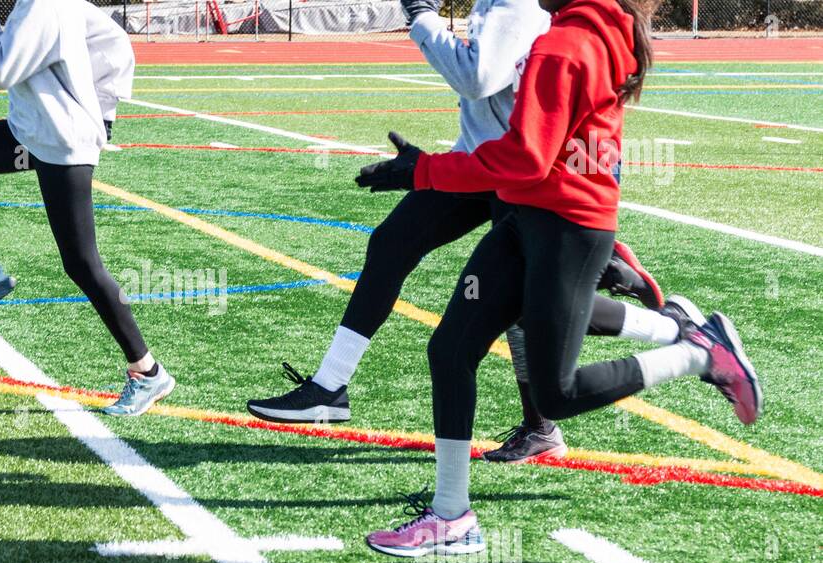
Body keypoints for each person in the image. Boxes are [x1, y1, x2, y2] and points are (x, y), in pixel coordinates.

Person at [354, 0, 761, 557]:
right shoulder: (585, 33)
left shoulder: (565, 43)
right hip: (531, 218)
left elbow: (526, 157)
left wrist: (423, 172)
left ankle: (696, 353)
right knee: (450, 349)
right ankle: (451, 516)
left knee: (557, 393)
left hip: (561, 228)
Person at [245, 0, 680, 464]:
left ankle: (660, 339)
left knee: (517, 304)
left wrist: (423, 18)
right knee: (395, 245)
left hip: (511, 171)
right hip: (480, 161)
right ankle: (330, 388)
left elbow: (479, 77)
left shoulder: (520, 3)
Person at [0, 0, 174, 416]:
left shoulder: (43, 4)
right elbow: (114, 43)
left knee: (82, 263)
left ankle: (148, 371)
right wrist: (102, 108)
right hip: (32, 132)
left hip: (61, 141)